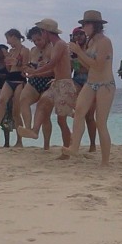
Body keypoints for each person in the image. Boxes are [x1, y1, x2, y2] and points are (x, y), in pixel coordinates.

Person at [62, 10, 115, 166]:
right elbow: (87, 65)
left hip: (105, 85)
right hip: (91, 83)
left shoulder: (104, 42)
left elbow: (98, 66)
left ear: (94, 25)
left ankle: (105, 161)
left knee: (101, 122)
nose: (82, 27)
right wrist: (76, 55)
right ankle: (75, 147)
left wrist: (79, 51)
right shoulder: (90, 42)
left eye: (85, 24)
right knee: (79, 111)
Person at [18, 18, 75, 148]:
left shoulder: (60, 44)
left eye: (42, 33)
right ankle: (34, 131)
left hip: (64, 85)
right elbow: (54, 67)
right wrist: (34, 72)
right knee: (42, 104)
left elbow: (52, 64)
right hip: (56, 83)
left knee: (61, 121)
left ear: (45, 32)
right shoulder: (56, 45)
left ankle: (68, 148)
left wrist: (34, 72)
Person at [0, 30, 28, 146]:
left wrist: (15, 62)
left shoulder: (25, 50)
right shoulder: (11, 51)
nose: (8, 42)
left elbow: (25, 67)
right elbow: (9, 69)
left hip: (20, 80)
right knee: (2, 101)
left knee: (15, 111)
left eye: (8, 39)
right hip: (10, 78)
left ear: (14, 37)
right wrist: (8, 61)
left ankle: (19, 140)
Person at [18, 26, 53, 149]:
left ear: (44, 36)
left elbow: (56, 70)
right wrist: (26, 70)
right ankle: (28, 128)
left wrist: (39, 69)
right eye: (34, 41)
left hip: (49, 82)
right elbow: (27, 67)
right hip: (34, 81)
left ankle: (46, 145)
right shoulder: (33, 51)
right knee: (23, 100)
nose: (37, 43)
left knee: (45, 115)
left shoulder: (53, 48)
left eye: (39, 39)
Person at [70, 27, 97, 152]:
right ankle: (74, 143)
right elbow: (69, 70)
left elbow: (94, 66)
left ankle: (92, 144)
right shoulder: (72, 51)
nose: (79, 37)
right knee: (78, 113)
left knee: (90, 116)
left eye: (81, 34)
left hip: (90, 80)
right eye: (77, 35)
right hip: (76, 79)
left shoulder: (90, 49)